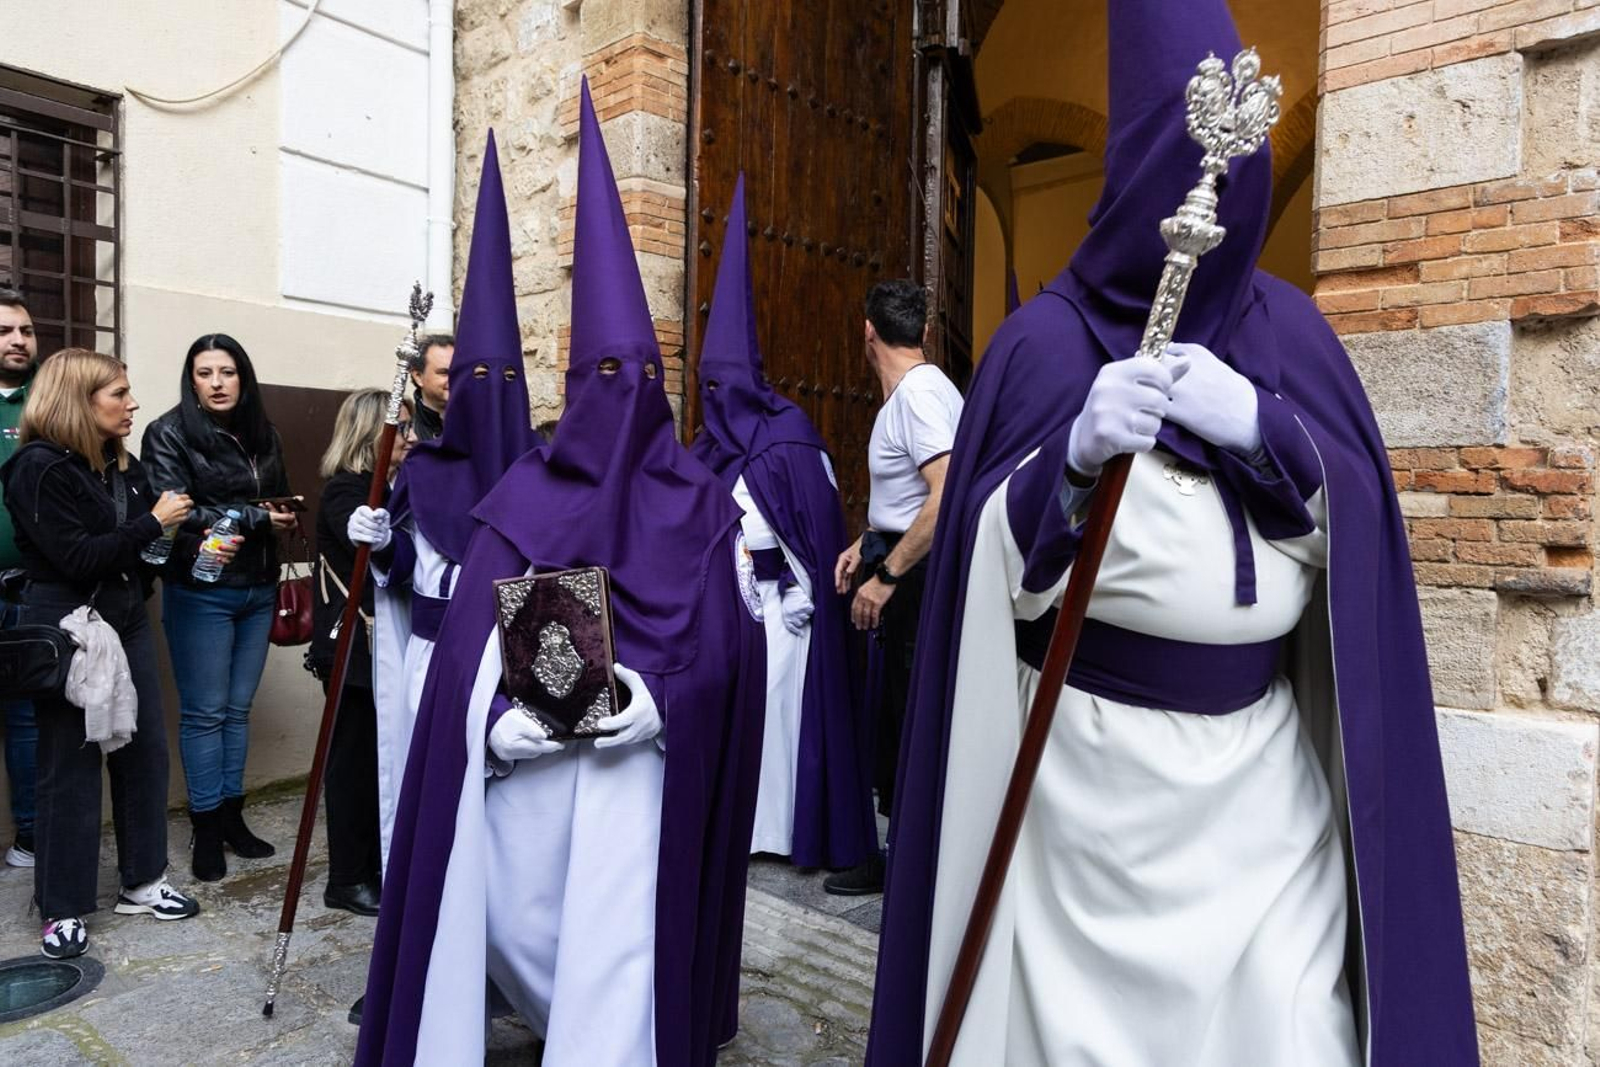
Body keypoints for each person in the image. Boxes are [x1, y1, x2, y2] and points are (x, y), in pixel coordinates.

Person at [865, 1, 1478, 1063]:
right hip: (1086, 802)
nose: (1210, 213)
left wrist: (1260, 426)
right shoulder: (1041, 347)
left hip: (1263, 801)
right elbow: (982, 571)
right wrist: (1065, 462)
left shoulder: (1292, 334)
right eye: (1187, 176)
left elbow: (1358, 527)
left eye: (1236, 182)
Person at [355, 86, 765, 1066]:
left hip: (639, 789)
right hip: (531, 799)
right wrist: (502, 724)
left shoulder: (701, 503)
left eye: (635, 380)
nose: (614, 406)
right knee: (529, 935)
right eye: (598, 382)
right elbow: (463, 674)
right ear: (574, 385)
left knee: (618, 971)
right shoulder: (525, 503)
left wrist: (659, 706)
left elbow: (729, 659)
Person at [346, 134, 541, 873]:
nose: (482, 391)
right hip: (432, 664)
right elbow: (404, 574)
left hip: (510, 675)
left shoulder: (543, 479)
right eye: (469, 376)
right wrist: (382, 540)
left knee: (506, 827)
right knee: (436, 818)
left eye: (501, 377)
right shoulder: (424, 471)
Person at [690, 175, 876, 872]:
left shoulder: (791, 439)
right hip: (731, 614)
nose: (715, 398)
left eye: (723, 383)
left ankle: (785, 829)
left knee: (780, 721)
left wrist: (797, 586)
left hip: (788, 619)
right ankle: (740, 827)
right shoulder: (707, 447)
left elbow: (813, 529)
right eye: (706, 384)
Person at [1, 348, 204, 959]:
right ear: (78, 400)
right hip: (70, 629)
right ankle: (61, 906)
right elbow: (80, 556)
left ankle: (143, 881)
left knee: (144, 753)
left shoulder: (119, 463)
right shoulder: (36, 469)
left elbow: (145, 537)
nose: (132, 403)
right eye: (118, 393)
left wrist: (197, 533)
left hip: (125, 620)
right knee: (70, 764)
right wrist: (154, 523)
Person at [824, 279, 963, 897]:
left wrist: (887, 575)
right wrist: (867, 541)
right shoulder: (918, 392)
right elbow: (911, 498)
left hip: (918, 581)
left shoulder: (919, 396)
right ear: (924, 333)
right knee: (898, 719)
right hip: (906, 565)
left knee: (911, 719)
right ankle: (901, 855)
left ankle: (911, 870)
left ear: (866, 331)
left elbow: (947, 491)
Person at [142, 333, 296, 882]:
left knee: (235, 711)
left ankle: (232, 816)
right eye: (205, 373)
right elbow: (175, 510)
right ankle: (205, 827)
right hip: (200, 590)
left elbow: (271, 495)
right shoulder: (168, 432)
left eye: (227, 372)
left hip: (257, 587)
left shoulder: (263, 432)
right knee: (205, 714)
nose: (216, 383)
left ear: (243, 377)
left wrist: (282, 515)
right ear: (192, 380)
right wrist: (255, 519)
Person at [309, 390, 416, 918]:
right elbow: (362, 541)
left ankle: (372, 865)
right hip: (353, 649)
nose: (411, 437)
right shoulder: (347, 489)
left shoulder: (390, 487)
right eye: (401, 427)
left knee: (377, 758)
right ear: (374, 433)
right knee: (351, 765)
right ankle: (347, 879)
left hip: (377, 647)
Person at [0, 288, 39, 869]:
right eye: (5, 330)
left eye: (26, 330)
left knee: (28, 718)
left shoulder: (47, 405)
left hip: (30, 588)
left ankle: (31, 832)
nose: (17, 340)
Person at [407, 334, 452, 443]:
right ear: (418, 376)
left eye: (458, 371)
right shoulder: (407, 430)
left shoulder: (480, 422)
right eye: (444, 373)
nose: (454, 378)